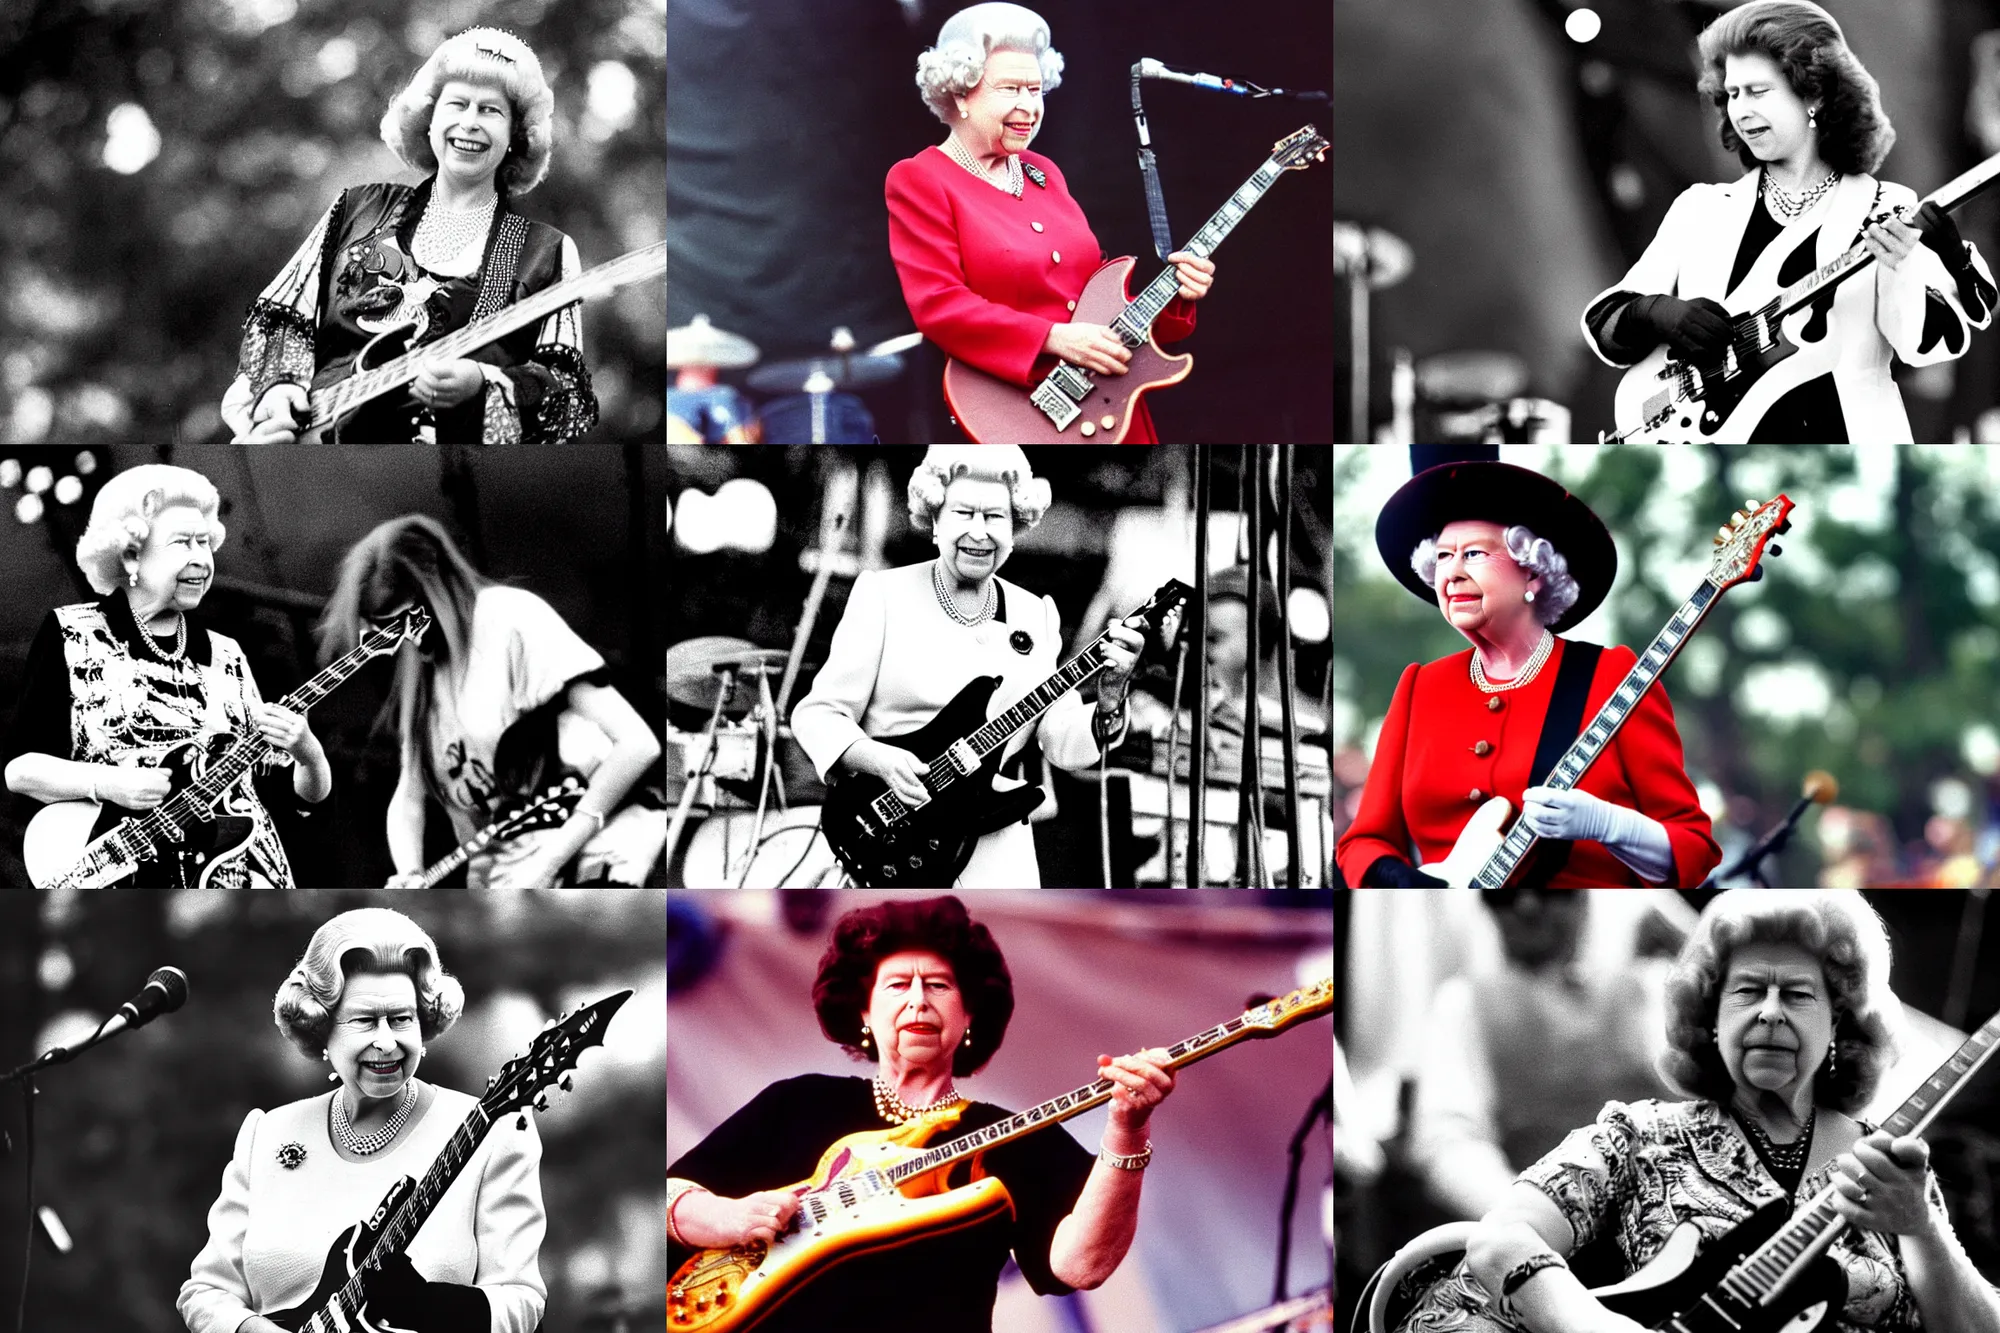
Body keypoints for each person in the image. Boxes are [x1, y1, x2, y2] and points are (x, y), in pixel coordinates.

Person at [1398, 890, 2000, 1333]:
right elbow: (1501, 1235)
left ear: (1839, 1021)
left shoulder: (1892, 1171)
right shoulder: (1638, 1137)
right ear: (1710, 1022)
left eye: (1795, 993)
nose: (1768, 1013)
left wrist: (1922, 1227)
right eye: (1745, 992)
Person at [666, 895, 1175, 1333]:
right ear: (863, 1012)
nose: (917, 1001)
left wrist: (1128, 1129)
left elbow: (1080, 1265)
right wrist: (720, 1217)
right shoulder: (799, 1104)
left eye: (938, 985)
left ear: (970, 1013)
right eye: (896, 986)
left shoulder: (1015, 1138)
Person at [1581, 0, 1994, 442]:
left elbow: (1926, 347)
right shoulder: (1701, 208)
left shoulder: (1882, 205)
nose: (1741, 111)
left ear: (1813, 94)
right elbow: (1605, 317)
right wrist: (1657, 311)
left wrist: (1918, 264)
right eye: (1732, 94)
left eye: (1759, 92)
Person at [1334, 461, 1720, 888]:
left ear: (1533, 571)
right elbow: (1364, 842)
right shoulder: (1420, 687)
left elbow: (1694, 850)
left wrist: (1612, 826)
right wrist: (1416, 888)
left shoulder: (1610, 674)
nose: (1452, 572)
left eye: (1474, 554)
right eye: (1443, 556)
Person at [219, 27, 597, 445]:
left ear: (514, 137)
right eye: (457, 104)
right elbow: (283, 318)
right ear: (430, 122)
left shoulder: (547, 251)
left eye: (490, 111)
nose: (469, 123)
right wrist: (280, 387)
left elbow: (568, 396)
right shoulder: (355, 209)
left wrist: (481, 382)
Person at [790, 445, 1143, 887]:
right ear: (935, 520)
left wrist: (1110, 701)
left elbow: (1060, 741)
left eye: (995, 517)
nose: (979, 532)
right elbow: (819, 714)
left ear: (1016, 529)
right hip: (893, 839)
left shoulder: (1035, 614)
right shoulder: (883, 595)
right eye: (963, 513)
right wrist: (879, 760)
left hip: (998, 853)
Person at [178, 908, 544, 1333]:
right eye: (366, 1021)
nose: (386, 1042)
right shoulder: (268, 1133)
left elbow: (521, 1302)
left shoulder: (492, 1132)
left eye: (402, 1019)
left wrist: (430, 1307)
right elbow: (206, 1292)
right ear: (321, 1028)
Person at [887, 3, 1217, 443]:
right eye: (1010, 89)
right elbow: (939, 305)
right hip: (1020, 410)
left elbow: (1100, 304)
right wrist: (1052, 338)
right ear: (961, 93)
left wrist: (1178, 294)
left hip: (1106, 407)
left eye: (1036, 90)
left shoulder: (1045, 172)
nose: (1029, 106)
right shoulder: (921, 178)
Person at [2, 464, 331, 889]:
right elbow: (20, 770)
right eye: (182, 543)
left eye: (205, 543)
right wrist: (111, 784)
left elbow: (286, 801)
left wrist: (309, 753)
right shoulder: (72, 632)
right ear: (131, 554)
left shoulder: (227, 653)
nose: (201, 558)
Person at [317, 515, 663, 888]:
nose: (390, 640)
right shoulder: (420, 674)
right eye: (376, 626)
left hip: (595, 851)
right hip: (502, 876)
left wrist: (550, 861)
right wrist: (409, 874)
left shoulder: (509, 618)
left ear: (434, 592)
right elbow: (409, 798)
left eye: (393, 622)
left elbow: (637, 744)